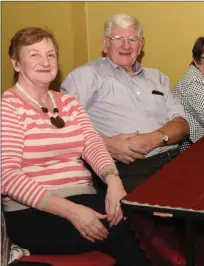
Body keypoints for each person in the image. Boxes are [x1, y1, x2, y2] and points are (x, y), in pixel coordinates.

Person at [1, 27, 149, 266]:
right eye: (34, 55)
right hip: (34, 213)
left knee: (133, 236)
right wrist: (72, 211)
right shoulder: (8, 108)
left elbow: (92, 144)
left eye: (51, 55)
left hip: (85, 198)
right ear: (16, 64)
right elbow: (6, 176)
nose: (45, 61)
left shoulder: (68, 102)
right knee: (142, 225)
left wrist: (113, 181)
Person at [61, 13, 190, 192]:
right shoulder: (85, 76)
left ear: (141, 45)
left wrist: (156, 138)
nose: (126, 45)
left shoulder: (157, 77)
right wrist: (104, 144)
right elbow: (60, 129)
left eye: (132, 39)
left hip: (174, 158)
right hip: (129, 169)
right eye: (118, 38)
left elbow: (182, 124)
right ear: (105, 44)